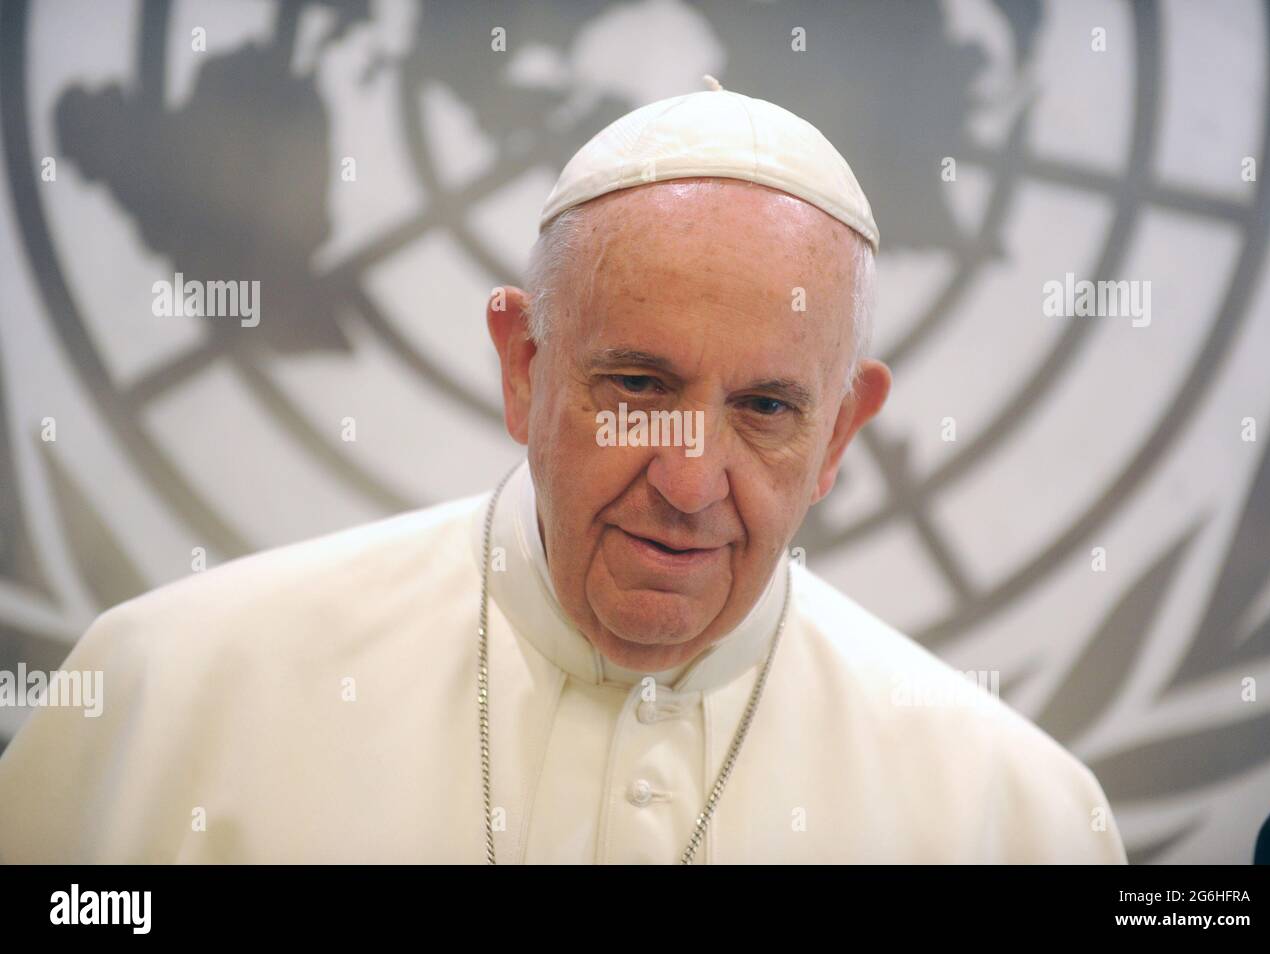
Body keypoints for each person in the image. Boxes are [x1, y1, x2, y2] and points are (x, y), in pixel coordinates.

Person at [0, 80, 1126, 863]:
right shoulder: (176, 694)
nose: (689, 485)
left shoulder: (1010, 816)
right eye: (637, 387)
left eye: (767, 408)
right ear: (523, 368)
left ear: (839, 433)